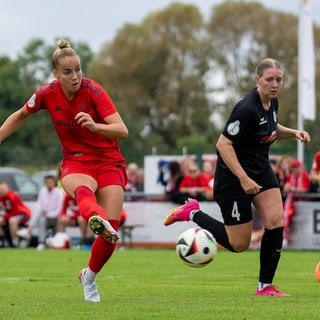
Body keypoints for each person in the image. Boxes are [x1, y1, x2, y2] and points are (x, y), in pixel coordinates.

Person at [164, 58, 310, 296]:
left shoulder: (272, 102)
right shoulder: (246, 108)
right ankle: (192, 212)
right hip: (233, 178)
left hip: (260, 169)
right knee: (239, 244)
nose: (275, 84)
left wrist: (294, 132)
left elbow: (270, 128)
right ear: (257, 80)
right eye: (269, 79)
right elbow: (223, 144)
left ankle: (265, 287)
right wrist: (242, 179)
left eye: (279, 79)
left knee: (275, 221)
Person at [0, 39, 128, 302]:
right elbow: (20, 115)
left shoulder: (94, 91)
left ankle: (88, 277)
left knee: (112, 235)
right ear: (56, 74)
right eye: (68, 72)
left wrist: (96, 126)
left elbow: (122, 130)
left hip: (108, 159)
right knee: (82, 189)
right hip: (76, 160)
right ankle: (96, 219)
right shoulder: (47, 93)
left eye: (78, 69)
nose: (76, 76)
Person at [27, 174, 64, 250]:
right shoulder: (42, 191)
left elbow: (60, 209)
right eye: (47, 182)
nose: (49, 184)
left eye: (51, 182)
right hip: (44, 216)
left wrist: (48, 214)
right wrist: (44, 214)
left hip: (55, 218)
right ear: (45, 183)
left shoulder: (59, 192)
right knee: (41, 219)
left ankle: (29, 229)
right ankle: (41, 243)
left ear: (54, 182)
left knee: (41, 214)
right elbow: (39, 204)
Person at [0, 181, 31, 247]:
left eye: (3, 189)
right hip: (9, 215)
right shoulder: (1, 198)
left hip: (22, 214)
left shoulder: (12, 196)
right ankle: (3, 241)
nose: (1, 191)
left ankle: (15, 242)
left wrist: (4, 218)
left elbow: (15, 211)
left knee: (12, 220)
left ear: (7, 188)